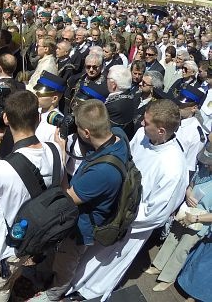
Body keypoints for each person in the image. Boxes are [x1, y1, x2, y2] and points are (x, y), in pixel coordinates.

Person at [67, 100, 189, 301]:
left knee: (102, 268)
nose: (141, 123)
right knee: (83, 258)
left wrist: (120, 215)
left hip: (129, 226)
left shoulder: (174, 167)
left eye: (147, 122)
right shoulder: (143, 135)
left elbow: (156, 215)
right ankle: (69, 284)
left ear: (161, 131)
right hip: (109, 209)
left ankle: (87, 295)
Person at [29, 100, 129, 302]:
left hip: (81, 227)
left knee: (65, 263)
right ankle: (41, 273)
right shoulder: (119, 134)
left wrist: (61, 151)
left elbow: (68, 197)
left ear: (86, 133)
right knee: (54, 253)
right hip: (81, 211)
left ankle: (54, 294)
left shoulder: (103, 172)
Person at [0, 90, 61, 302]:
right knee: (14, 273)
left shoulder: (1, 169)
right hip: (33, 237)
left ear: (5, 118)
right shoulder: (55, 150)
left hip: (3, 245)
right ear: (39, 118)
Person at [146, 137, 212, 292]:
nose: (207, 163)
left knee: (182, 248)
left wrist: (195, 218)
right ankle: (159, 265)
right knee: (172, 238)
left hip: (200, 221)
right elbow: (190, 185)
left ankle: (168, 278)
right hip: (187, 211)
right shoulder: (203, 170)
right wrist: (188, 193)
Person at [174, 85, 207, 177]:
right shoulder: (173, 119)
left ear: (194, 108)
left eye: (182, 105)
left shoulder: (196, 134)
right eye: (178, 103)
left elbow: (189, 167)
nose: (178, 107)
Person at [33, 71, 66, 143]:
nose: (37, 94)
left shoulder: (57, 125)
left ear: (54, 99)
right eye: (37, 92)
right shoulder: (33, 112)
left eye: (41, 93)